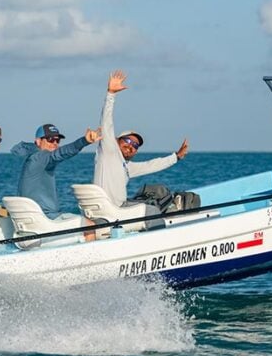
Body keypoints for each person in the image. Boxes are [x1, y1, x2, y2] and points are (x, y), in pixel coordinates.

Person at [94, 69, 189, 207]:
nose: (131, 145)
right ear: (116, 141)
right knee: (151, 211)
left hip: (120, 210)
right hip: (106, 210)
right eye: (127, 140)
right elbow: (106, 121)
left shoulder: (127, 167)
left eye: (135, 145)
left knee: (154, 203)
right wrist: (111, 94)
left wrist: (177, 157)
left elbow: (151, 165)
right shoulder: (108, 151)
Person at [12, 123, 101, 237]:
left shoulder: (33, 156)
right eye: (50, 139)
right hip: (46, 219)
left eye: (57, 140)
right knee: (89, 226)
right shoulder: (41, 156)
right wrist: (84, 141)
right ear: (38, 141)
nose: (54, 143)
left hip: (34, 220)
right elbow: (60, 154)